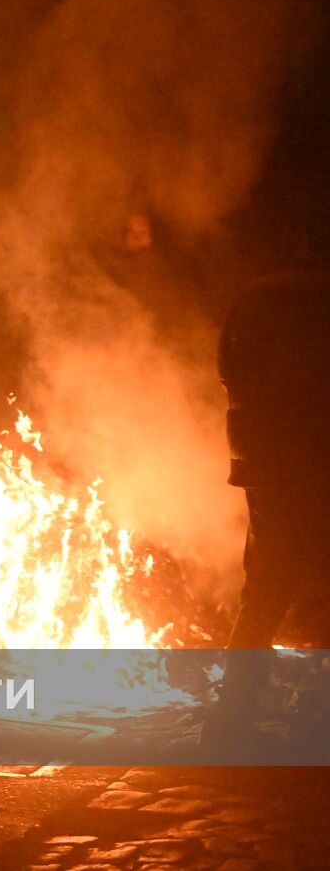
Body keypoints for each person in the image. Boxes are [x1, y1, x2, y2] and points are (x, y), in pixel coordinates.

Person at [212, 260, 330, 732]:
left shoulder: (257, 296)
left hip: (264, 461)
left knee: (264, 588)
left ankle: (231, 717)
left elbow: (227, 367)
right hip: (313, 459)